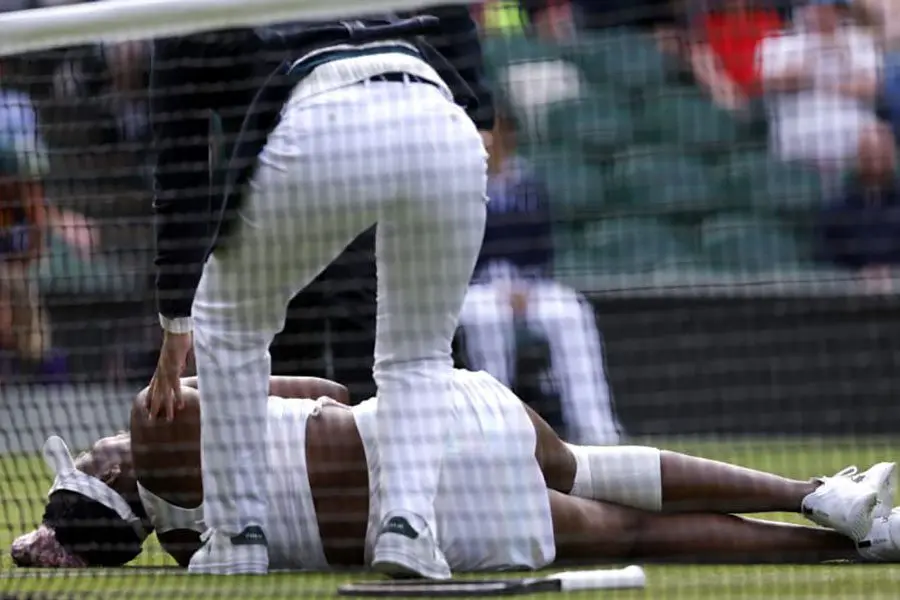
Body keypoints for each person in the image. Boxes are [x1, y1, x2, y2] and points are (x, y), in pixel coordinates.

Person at [147, 10, 494, 577]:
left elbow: (182, 164)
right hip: (441, 123)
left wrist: (176, 318)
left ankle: (236, 536)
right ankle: (408, 526)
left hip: (324, 121)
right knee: (421, 353)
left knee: (228, 322)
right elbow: (477, 92)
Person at [10, 370, 900, 571]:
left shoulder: (184, 547)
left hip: (433, 527)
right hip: (416, 435)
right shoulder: (153, 419)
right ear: (113, 473)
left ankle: (844, 554)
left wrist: (62, 539)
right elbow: (321, 384)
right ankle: (816, 495)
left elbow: (87, 538)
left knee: (628, 534)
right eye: (89, 463)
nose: (93, 446)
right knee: (584, 463)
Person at [457, 109, 621, 445]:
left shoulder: (528, 185)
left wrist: (526, 285)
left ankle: (597, 431)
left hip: (529, 286)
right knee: (487, 318)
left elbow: (543, 249)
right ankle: (493, 433)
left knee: (572, 312)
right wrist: (497, 286)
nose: (494, 142)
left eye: (501, 133)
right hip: (475, 290)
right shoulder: (459, 185)